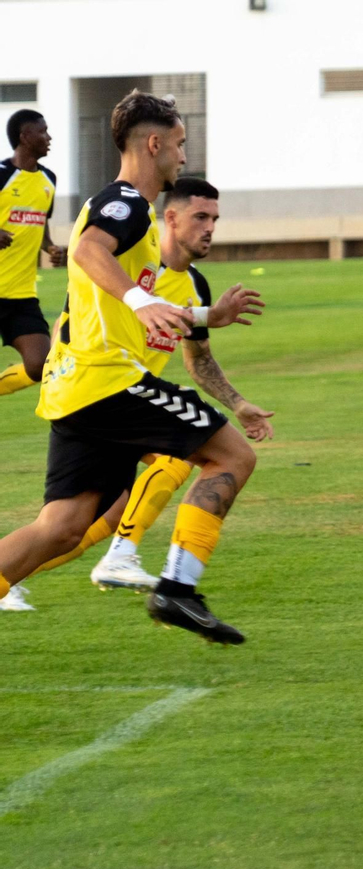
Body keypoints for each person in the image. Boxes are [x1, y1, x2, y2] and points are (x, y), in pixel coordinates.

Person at [0, 90, 268, 643]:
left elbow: (119, 286)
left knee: (62, 527)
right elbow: (88, 250)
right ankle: (178, 591)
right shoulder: (121, 202)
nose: (184, 158)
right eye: (179, 145)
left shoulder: (137, 216)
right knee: (231, 456)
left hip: (79, 387)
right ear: (155, 144)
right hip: (108, 382)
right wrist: (141, 302)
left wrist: (205, 314)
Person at [0, 109, 66, 398]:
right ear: (25, 137)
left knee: (41, 365)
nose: (49, 137)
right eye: (43, 131)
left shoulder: (49, 180)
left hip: (21, 295)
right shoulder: (2, 175)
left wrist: (50, 247)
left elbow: (40, 223)